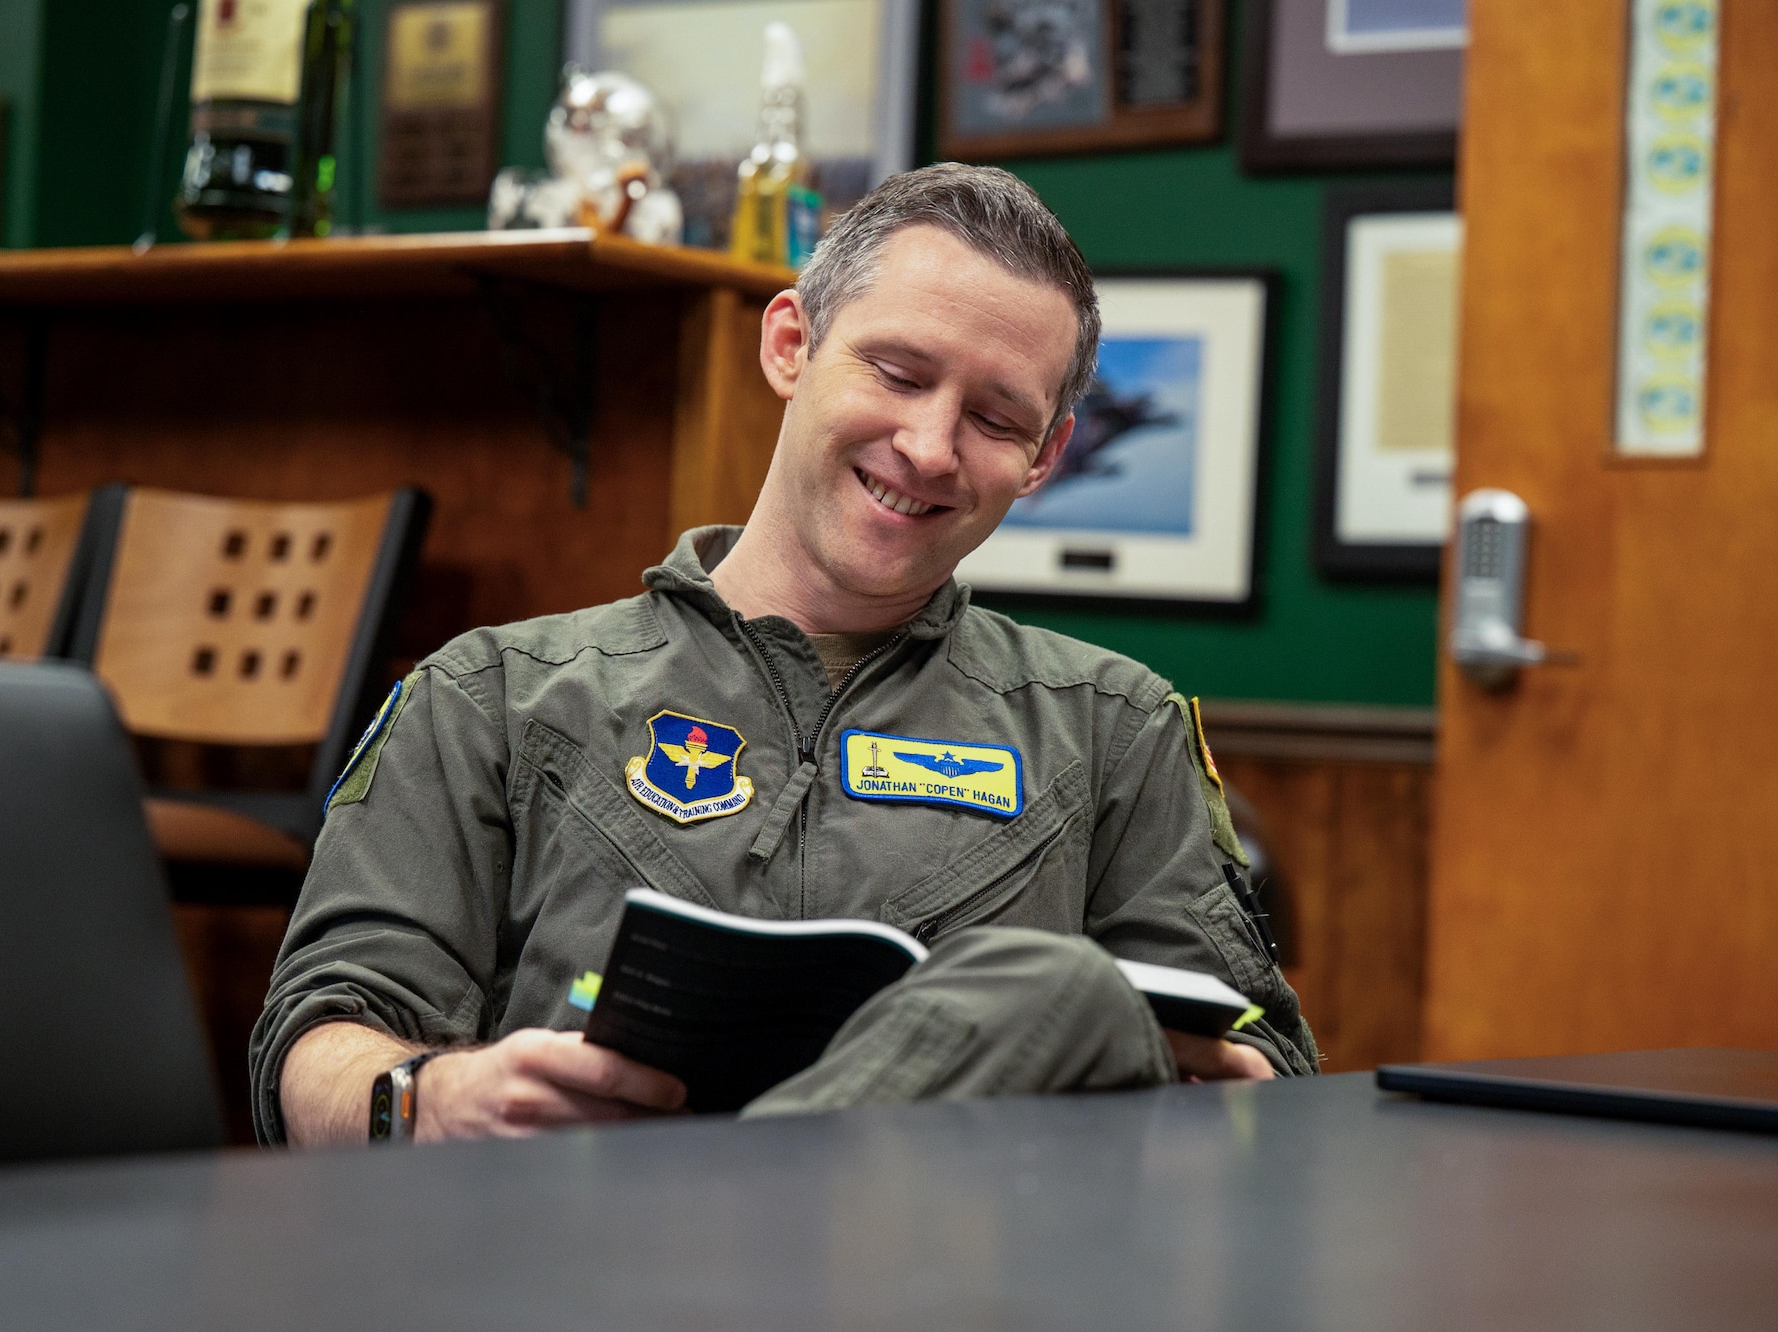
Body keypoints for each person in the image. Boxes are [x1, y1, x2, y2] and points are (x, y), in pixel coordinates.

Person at [253, 163, 1319, 1147]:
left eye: (995, 420)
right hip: (577, 1267)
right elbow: (317, 1044)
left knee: (1061, 995)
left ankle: (754, 1201)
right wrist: (432, 1098)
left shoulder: (1111, 728)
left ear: (1046, 457)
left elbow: (1264, 1075)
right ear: (788, 346)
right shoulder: (489, 696)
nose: (929, 447)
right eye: (898, 373)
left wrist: (1201, 1088)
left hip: (958, 1282)